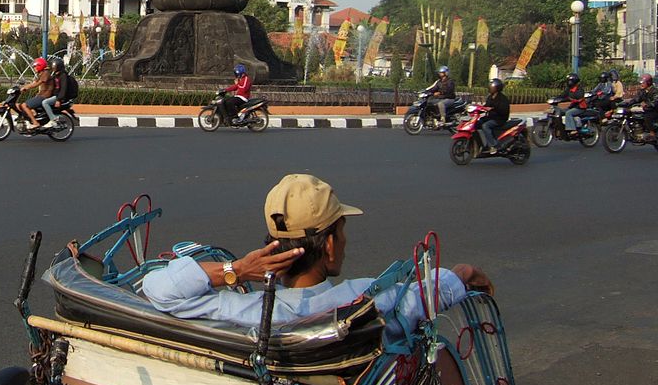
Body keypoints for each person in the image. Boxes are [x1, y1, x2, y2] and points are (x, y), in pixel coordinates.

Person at [141, 174, 493, 342]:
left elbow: (156, 287)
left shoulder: (234, 310)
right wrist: (462, 273)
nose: (343, 242)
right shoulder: (368, 299)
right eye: (340, 232)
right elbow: (429, 293)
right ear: (327, 246)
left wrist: (238, 271)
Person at [18, 57, 54, 131]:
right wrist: (21, 87)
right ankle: (32, 119)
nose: (34, 68)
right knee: (24, 105)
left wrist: (26, 88)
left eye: (35, 66)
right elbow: (33, 82)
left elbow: (37, 84)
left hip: (45, 96)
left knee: (24, 105)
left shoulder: (46, 73)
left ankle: (35, 123)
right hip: (41, 95)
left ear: (39, 66)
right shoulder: (41, 74)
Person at [479, 77, 511, 153]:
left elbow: (504, 110)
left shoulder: (503, 99)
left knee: (485, 126)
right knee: (478, 122)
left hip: (499, 119)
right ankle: (483, 143)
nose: (490, 88)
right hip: (491, 117)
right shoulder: (490, 97)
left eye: (492, 86)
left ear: (497, 88)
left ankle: (493, 145)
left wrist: (493, 109)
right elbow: (486, 106)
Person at [41, 56, 76, 124]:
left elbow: (63, 89)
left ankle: (53, 119)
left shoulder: (63, 76)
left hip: (60, 97)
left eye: (55, 66)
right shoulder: (56, 75)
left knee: (45, 103)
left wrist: (58, 100)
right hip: (56, 96)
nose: (53, 68)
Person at [624, 73, 658, 141]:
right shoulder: (642, 91)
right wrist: (626, 103)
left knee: (647, 115)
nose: (641, 84)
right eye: (640, 83)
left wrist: (647, 104)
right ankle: (635, 130)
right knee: (630, 112)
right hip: (647, 109)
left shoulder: (654, 90)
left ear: (648, 82)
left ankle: (652, 133)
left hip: (655, 110)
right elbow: (636, 99)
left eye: (643, 83)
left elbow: (656, 101)